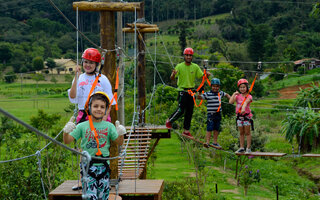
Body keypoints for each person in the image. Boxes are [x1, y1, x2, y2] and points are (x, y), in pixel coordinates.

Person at [63, 91, 125, 200]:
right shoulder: (82, 126)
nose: (99, 109)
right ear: (89, 108)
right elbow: (67, 141)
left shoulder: (109, 126)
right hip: (88, 168)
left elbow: (119, 142)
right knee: (90, 197)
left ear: (106, 110)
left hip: (104, 167)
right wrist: (65, 132)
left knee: (103, 197)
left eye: (102, 107)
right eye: (95, 106)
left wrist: (121, 134)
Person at [165, 47, 210, 137]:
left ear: (192, 56)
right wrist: (173, 74)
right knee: (181, 110)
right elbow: (172, 78)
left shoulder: (195, 67)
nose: (189, 57)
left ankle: (186, 130)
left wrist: (206, 75)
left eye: (190, 55)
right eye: (187, 55)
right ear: (184, 56)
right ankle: (169, 121)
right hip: (182, 90)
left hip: (191, 91)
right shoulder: (179, 66)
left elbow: (202, 77)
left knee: (189, 111)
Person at [68, 48, 114, 123]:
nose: (88, 65)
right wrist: (76, 78)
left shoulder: (103, 79)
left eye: (91, 63)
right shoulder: (79, 78)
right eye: (86, 62)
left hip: (100, 115)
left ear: (96, 64)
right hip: (83, 115)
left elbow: (110, 102)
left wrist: (103, 120)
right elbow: (72, 96)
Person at [198, 78, 230, 148]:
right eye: (214, 86)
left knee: (216, 128)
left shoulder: (220, 93)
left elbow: (226, 94)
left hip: (218, 114)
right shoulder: (208, 94)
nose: (215, 88)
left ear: (219, 87)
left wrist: (230, 98)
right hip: (211, 114)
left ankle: (215, 142)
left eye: (217, 86)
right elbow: (199, 97)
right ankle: (207, 142)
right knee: (209, 128)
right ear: (211, 86)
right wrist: (199, 92)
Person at [229, 79, 253, 153]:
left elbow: (246, 102)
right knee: (241, 133)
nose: (242, 89)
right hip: (239, 117)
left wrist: (243, 108)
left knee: (247, 132)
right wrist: (234, 94)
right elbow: (230, 102)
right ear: (239, 88)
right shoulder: (238, 96)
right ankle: (241, 147)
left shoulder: (249, 96)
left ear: (247, 87)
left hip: (246, 117)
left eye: (244, 87)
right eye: (241, 87)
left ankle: (248, 148)